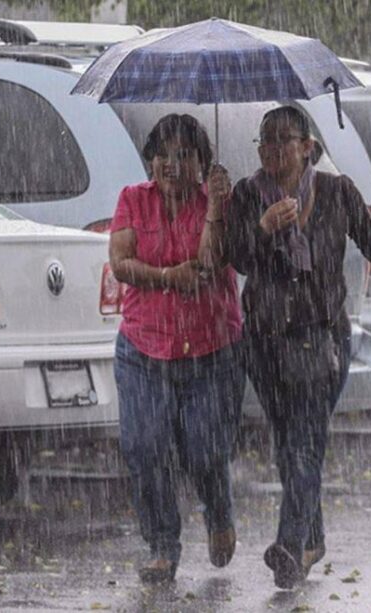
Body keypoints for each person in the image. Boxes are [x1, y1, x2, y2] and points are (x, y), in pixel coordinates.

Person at [199, 106, 371, 589]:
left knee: (304, 441)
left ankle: (290, 545)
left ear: (307, 147)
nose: (272, 149)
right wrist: (264, 227)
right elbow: (236, 260)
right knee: (292, 442)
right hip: (266, 340)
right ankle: (313, 538)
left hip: (322, 336)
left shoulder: (337, 191)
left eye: (282, 139)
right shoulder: (249, 195)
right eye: (264, 141)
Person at [109, 114, 244, 584]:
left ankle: (219, 512)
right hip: (144, 348)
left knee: (205, 451)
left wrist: (215, 210)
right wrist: (167, 278)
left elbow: (210, 263)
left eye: (185, 154)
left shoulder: (219, 203)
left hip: (211, 348)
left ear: (203, 163)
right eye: (163, 153)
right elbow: (121, 264)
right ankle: (163, 544)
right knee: (145, 448)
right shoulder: (132, 200)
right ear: (150, 161)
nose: (172, 163)